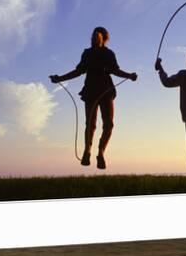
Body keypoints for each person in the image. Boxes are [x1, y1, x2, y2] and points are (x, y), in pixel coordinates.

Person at [50, 27, 137, 169]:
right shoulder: (87, 53)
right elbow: (78, 71)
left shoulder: (109, 54)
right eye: (93, 36)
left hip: (106, 90)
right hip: (90, 91)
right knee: (91, 124)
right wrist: (60, 78)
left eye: (97, 36)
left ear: (103, 38)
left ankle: (101, 152)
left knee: (108, 124)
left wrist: (129, 75)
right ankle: (87, 150)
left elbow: (115, 70)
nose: (94, 38)